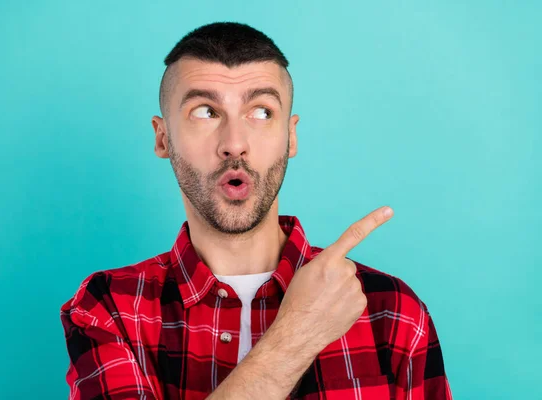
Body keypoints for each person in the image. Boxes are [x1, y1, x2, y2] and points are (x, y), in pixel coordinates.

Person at [60, 22, 452, 400]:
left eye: (261, 112)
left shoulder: (393, 311)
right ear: (163, 138)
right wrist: (298, 335)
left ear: (291, 135)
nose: (235, 143)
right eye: (205, 111)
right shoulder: (108, 308)